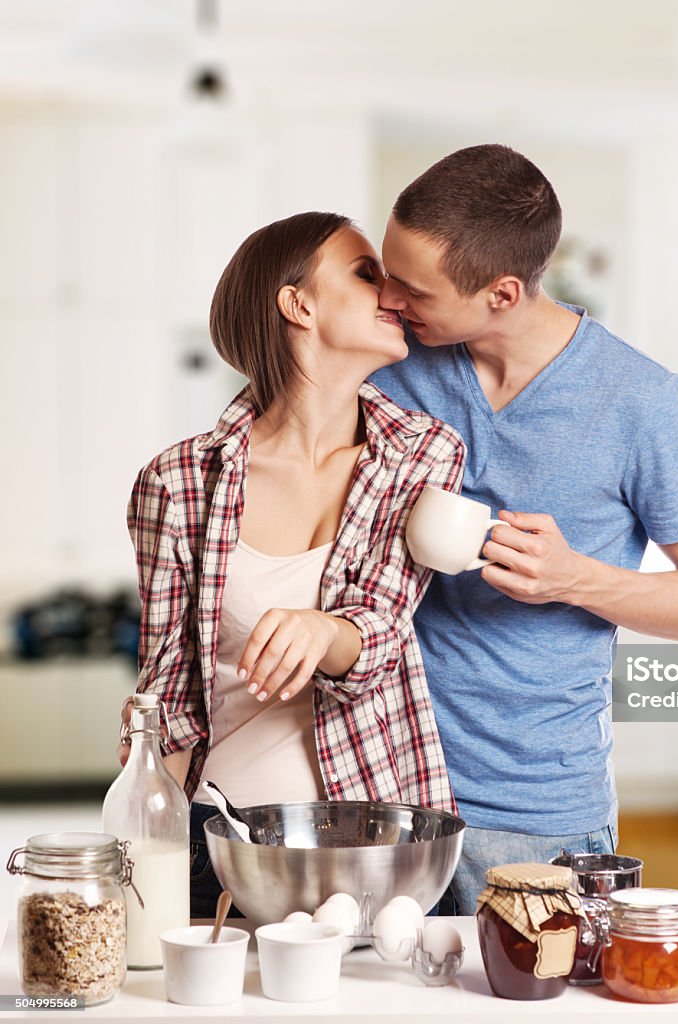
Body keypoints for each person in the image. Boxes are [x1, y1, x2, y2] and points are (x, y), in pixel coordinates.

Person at [372, 144, 678, 914]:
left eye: (412, 288)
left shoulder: (637, 402)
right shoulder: (393, 361)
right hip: (385, 786)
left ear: (502, 293)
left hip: (535, 809)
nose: (389, 298)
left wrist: (576, 578)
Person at [123, 211, 465, 917]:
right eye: (367, 274)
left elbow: (382, 626)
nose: (393, 294)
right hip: (225, 845)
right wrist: (136, 863)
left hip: (379, 838)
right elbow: (167, 695)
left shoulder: (425, 452)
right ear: (298, 303)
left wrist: (322, 632)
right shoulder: (179, 480)